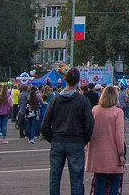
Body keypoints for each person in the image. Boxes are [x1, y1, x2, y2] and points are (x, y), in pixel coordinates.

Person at [40, 67, 95, 195]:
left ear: (65, 80)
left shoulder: (55, 100)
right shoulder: (82, 101)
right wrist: (84, 139)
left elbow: (45, 124)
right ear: (78, 81)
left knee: (54, 177)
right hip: (76, 141)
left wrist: (52, 138)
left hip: (58, 140)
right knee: (76, 179)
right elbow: (90, 124)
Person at [86, 85, 126, 195]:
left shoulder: (95, 110)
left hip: (97, 152)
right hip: (112, 152)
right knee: (114, 181)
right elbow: (119, 136)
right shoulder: (118, 112)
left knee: (99, 181)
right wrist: (121, 154)